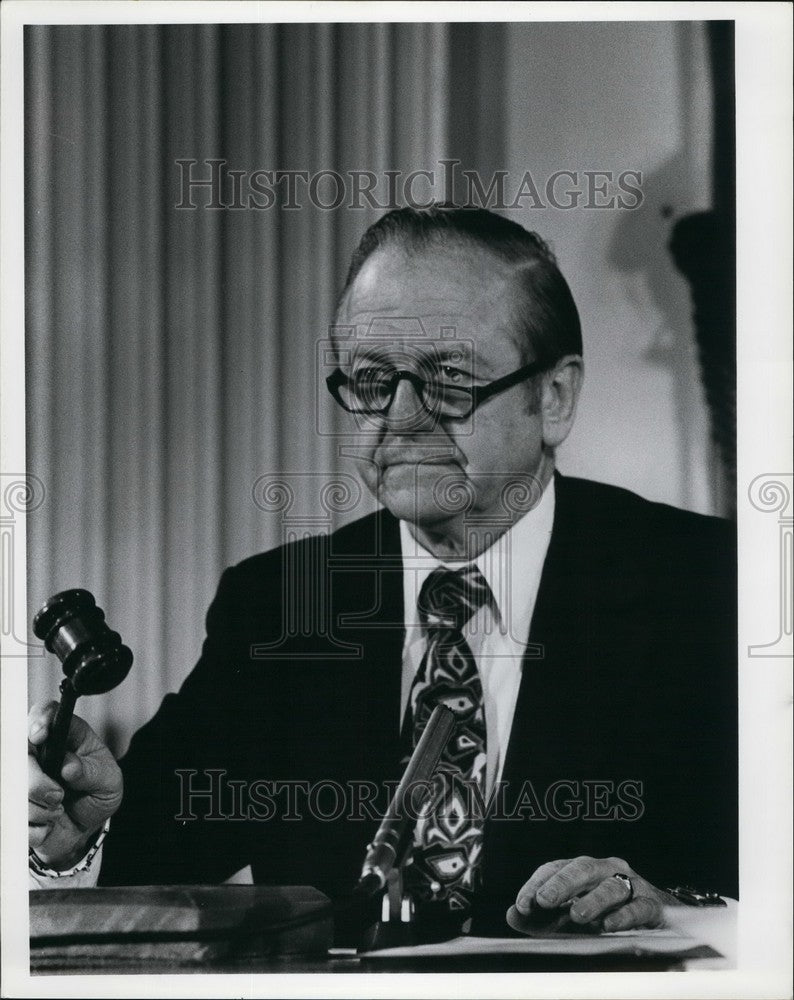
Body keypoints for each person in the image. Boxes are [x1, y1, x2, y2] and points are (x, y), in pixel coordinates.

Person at [28, 205, 737, 936]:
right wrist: (81, 830)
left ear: (553, 398)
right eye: (371, 379)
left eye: (449, 378)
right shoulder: (278, 606)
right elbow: (142, 863)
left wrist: (685, 910)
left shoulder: (707, 586)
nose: (399, 419)